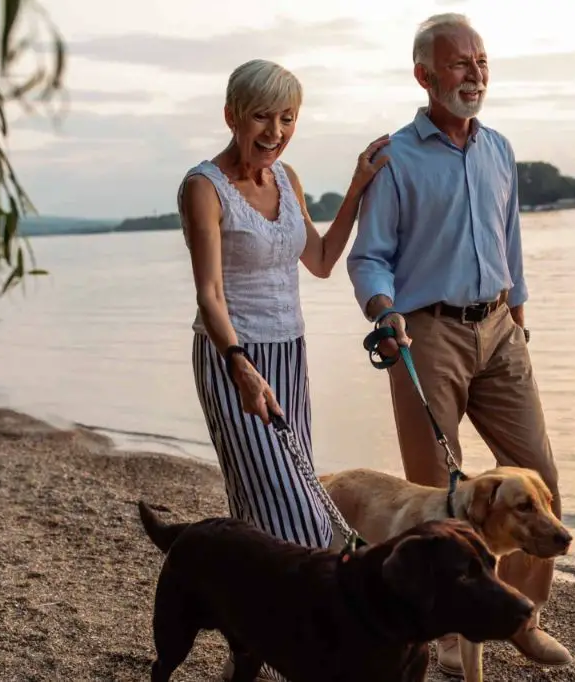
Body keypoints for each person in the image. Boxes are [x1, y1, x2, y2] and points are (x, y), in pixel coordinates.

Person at [345, 12, 572, 677]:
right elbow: (369, 258)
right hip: (426, 332)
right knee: (437, 499)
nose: (474, 75)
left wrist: (519, 321)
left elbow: (512, 243)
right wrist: (384, 314)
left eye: (481, 63)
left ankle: (521, 620)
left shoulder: (499, 148)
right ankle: (445, 638)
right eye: (458, 64)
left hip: (500, 329)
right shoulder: (395, 157)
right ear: (424, 75)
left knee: (540, 480)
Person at [178, 58, 388, 682]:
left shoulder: (288, 178)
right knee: (294, 508)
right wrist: (240, 365)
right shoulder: (203, 188)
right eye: (262, 117)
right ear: (232, 116)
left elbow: (321, 260)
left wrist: (356, 188)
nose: (275, 131)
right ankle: (316, 646)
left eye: (288, 118)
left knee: (259, 504)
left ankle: (250, 652)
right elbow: (210, 295)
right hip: (230, 358)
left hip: (289, 354)